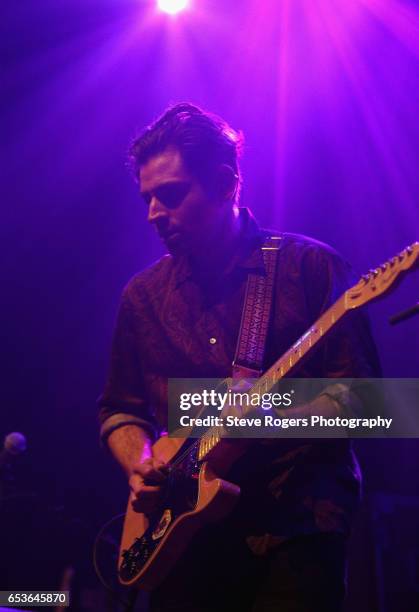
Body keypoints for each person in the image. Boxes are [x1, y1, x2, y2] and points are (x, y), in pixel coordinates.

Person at [98, 103, 381, 611]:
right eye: (147, 199)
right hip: (182, 541)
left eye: (171, 194)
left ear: (226, 183)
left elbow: (371, 402)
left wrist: (273, 421)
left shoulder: (308, 268)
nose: (153, 215)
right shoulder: (141, 298)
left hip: (293, 531)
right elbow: (120, 409)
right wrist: (140, 463)